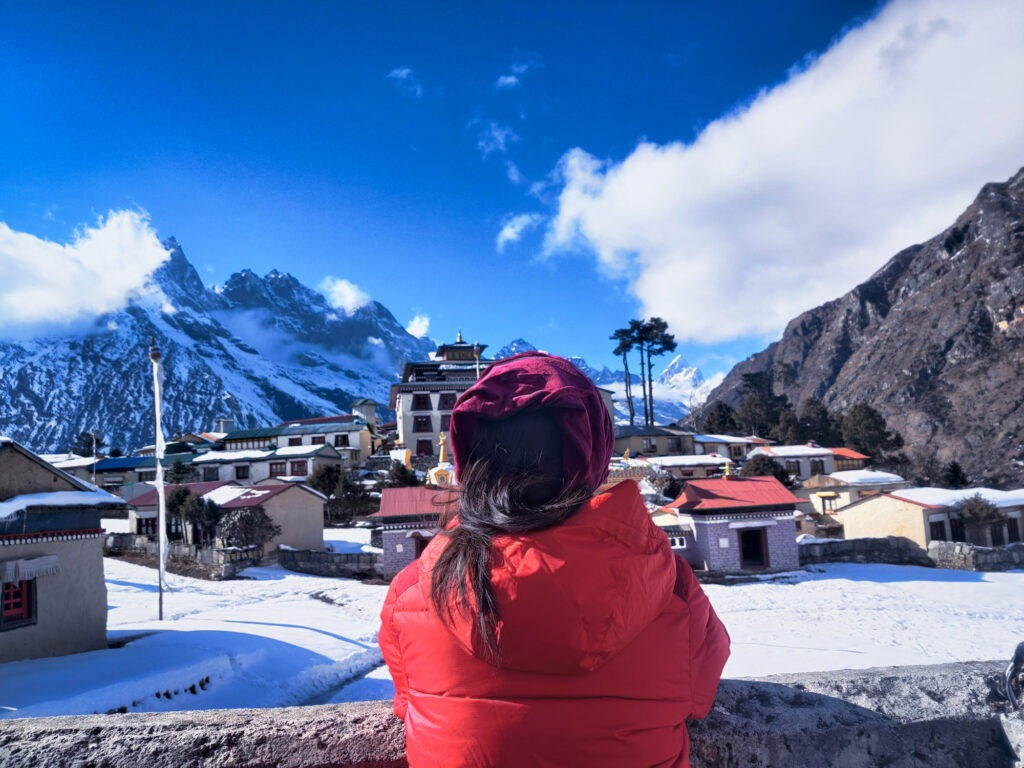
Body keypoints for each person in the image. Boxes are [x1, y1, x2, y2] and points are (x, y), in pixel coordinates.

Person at [379, 352, 729, 767]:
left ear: (469, 459)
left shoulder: (417, 592)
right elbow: (700, 695)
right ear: (593, 451)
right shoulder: (669, 587)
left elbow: (408, 702)